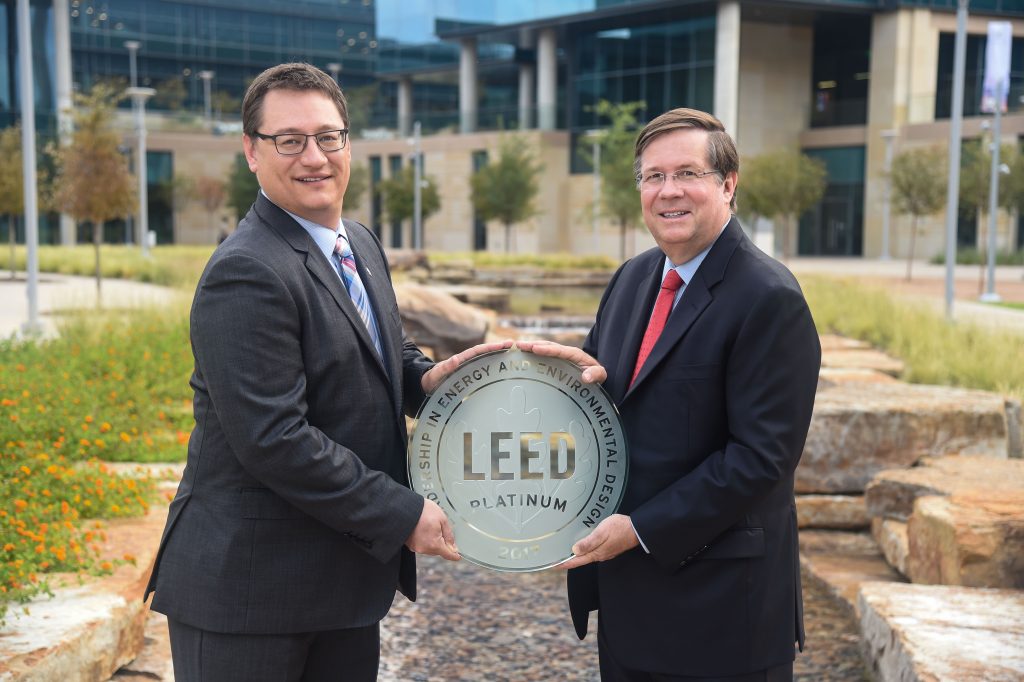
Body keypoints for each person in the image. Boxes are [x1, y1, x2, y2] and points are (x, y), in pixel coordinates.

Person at [144, 62, 512, 681]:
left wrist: (432, 382)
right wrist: (404, 514)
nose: (313, 156)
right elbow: (274, 439)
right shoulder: (247, 272)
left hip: (338, 585)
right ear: (251, 152)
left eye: (328, 136)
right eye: (289, 140)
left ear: (348, 142)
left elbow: (380, 354)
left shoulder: (358, 243)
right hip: (252, 594)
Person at [553, 108, 822, 681]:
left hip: (722, 611)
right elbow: (605, 402)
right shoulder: (633, 278)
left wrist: (642, 528)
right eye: (653, 176)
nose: (667, 190)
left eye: (687, 174)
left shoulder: (768, 297)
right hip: (630, 603)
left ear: (727, 184)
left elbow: (761, 458)